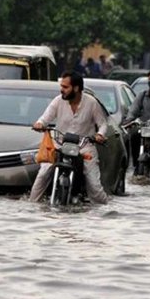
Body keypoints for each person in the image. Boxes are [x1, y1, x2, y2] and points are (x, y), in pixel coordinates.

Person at [29, 72, 110, 204]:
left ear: (76, 88)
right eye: (61, 86)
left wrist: (100, 135)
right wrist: (40, 124)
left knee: (94, 185)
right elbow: (45, 118)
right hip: (59, 144)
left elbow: (103, 124)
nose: (62, 90)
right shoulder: (58, 101)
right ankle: (31, 207)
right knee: (43, 174)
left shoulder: (91, 103)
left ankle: (104, 212)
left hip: (84, 146)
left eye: (65, 87)